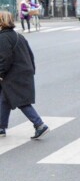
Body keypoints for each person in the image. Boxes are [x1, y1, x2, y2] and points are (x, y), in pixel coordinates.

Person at [0, 11, 49, 139]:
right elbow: (30, 54)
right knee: (5, 99)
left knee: (21, 100)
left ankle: (39, 125)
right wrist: (31, 69)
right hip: (23, 72)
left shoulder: (3, 38)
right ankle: (1, 127)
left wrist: (0, 73)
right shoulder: (17, 35)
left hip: (14, 75)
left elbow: (5, 58)